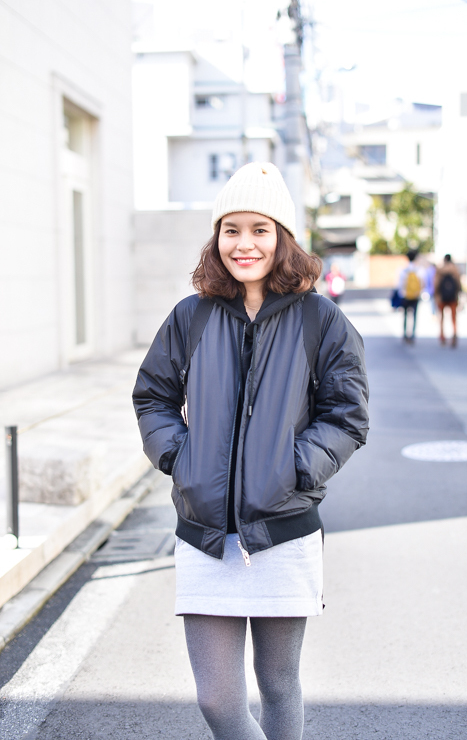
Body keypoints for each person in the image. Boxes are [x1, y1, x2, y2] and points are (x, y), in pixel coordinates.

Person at [132, 162, 369, 740]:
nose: (244, 243)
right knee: (216, 698)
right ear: (217, 237)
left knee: (279, 683)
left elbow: (347, 416)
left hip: (283, 531)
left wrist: (294, 468)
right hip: (205, 534)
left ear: (282, 237)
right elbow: (153, 397)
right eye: (231, 229)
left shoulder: (322, 319)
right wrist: (180, 459)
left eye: (259, 229)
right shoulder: (191, 316)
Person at [434, 254, 461, 347]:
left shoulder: (440, 269)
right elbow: (458, 284)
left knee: (441, 317)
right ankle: (454, 334)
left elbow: (436, 283)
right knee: (453, 317)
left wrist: (436, 295)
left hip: (442, 296)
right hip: (453, 296)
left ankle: (442, 335)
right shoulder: (455, 269)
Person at [398, 250, 424, 342]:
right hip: (416, 296)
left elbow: (400, 284)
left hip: (405, 295)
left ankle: (405, 333)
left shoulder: (403, 270)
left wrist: (401, 294)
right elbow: (422, 283)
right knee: (414, 315)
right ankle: (412, 334)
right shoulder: (419, 270)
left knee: (405, 315)